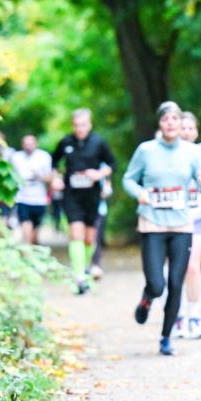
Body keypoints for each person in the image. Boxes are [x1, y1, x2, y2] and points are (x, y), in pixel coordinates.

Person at [123, 101, 201, 356]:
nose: (170, 123)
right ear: (160, 124)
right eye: (165, 119)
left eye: (175, 119)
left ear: (180, 123)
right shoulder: (146, 150)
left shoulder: (191, 153)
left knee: (175, 282)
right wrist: (140, 194)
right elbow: (128, 178)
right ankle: (147, 298)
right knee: (157, 283)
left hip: (182, 224)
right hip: (152, 223)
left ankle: (166, 337)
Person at [51, 109, 116, 294]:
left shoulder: (99, 142)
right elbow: (54, 162)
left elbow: (112, 164)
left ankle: (85, 269)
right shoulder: (66, 142)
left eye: (83, 125)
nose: (80, 128)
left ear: (90, 124)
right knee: (75, 234)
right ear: (73, 125)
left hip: (92, 195)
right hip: (71, 195)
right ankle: (79, 277)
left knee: (89, 238)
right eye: (77, 125)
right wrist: (56, 178)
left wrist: (99, 174)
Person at [173, 111, 201, 339]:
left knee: (192, 266)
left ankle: (195, 317)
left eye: (191, 128)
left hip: (198, 216)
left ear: (196, 131)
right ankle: (177, 317)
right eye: (183, 128)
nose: (187, 132)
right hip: (173, 218)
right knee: (175, 269)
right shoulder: (169, 153)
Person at [10, 134, 52, 245]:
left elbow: (50, 178)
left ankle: (33, 253)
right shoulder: (16, 157)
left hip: (39, 199)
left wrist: (39, 176)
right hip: (22, 198)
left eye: (31, 144)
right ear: (22, 145)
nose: (28, 146)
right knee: (26, 231)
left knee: (34, 236)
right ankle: (26, 257)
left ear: (36, 144)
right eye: (26, 144)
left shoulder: (44, 157)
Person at [88, 163, 113, 280]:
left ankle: (95, 264)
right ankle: (84, 264)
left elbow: (108, 186)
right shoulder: (76, 162)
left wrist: (105, 191)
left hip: (99, 209)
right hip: (80, 208)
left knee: (96, 237)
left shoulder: (103, 166)